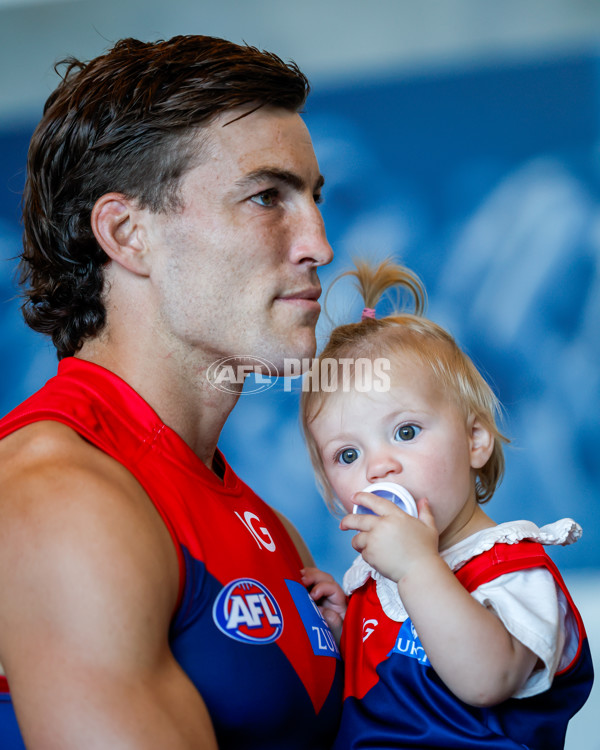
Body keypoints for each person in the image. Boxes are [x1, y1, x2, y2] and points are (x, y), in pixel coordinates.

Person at [0, 35, 344, 749]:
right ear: (128, 234)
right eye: (267, 197)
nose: (318, 243)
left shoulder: (268, 524)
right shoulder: (59, 495)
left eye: (313, 198)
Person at [300, 258, 594, 749]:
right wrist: (344, 629)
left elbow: (486, 679)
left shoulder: (515, 572)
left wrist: (417, 567)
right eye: (347, 454)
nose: (379, 466)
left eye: (406, 431)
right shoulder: (376, 585)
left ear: (475, 439)